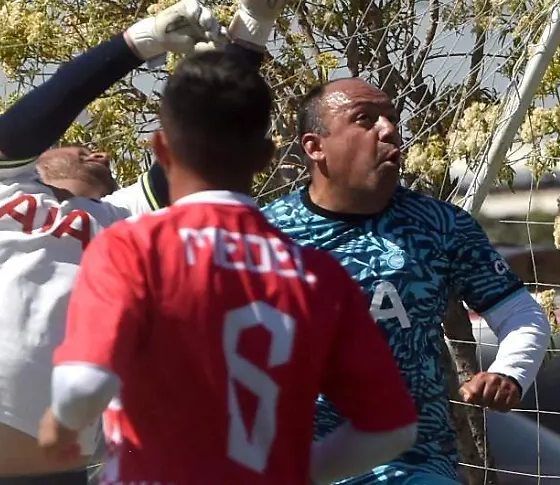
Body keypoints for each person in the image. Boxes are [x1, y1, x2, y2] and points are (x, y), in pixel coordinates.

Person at [0, 0, 299, 485]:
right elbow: (44, 109)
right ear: (40, 157)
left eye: (105, 153)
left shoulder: (127, 220)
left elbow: (207, 148)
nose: (97, 152)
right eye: (80, 143)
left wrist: (249, 36)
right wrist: (137, 43)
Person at [38, 49, 420, 485]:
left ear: (161, 148)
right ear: (266, 156)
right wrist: (297, 472)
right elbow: (391, 427)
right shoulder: (316, 272)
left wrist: (59, 424)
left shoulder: (132, 247)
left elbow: (83, 386)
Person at [263, 77, 553, 485]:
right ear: (315, 147)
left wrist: (509, 373)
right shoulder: (262, 236)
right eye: (364, 119)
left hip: (411, 465)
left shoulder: (441, 226)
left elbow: (522, 314)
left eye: (391, 119)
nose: (388, 130)